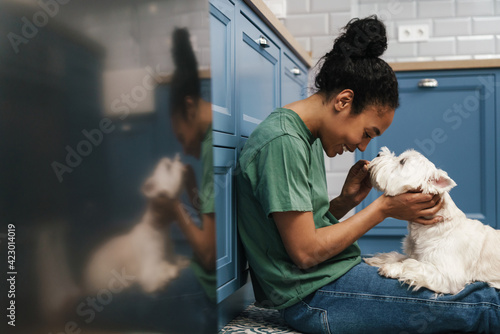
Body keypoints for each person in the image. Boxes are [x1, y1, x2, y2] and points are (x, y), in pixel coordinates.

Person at [236, 16, 500, 333]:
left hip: (324, 278)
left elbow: (297, 230)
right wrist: (383, 209)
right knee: (484, 303)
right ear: (344, 101)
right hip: (313, 295)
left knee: (442, 276)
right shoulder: (284, 142)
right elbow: (305, 253)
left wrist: (345, 202)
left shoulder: (302, 135)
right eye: (366, 132)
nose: (362, 146)